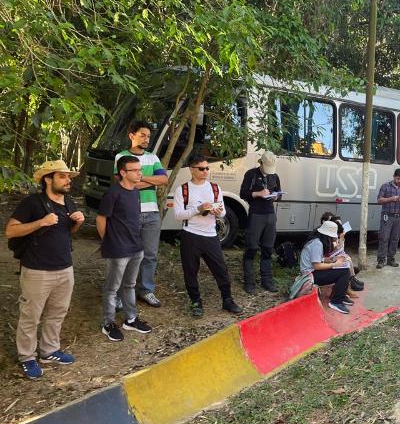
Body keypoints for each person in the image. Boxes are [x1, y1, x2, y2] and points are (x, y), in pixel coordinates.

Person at [5, 160, 84, 379]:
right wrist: (40, 222)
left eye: (69, 177)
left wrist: (77, 222)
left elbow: (67, 233)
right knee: (31, 316)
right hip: (37, 271)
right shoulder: (32, 203)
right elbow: (10, 232)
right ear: (48, 179)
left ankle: (49, 351)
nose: (68, 181)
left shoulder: (69, 202)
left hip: (65, 268)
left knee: (57, 313)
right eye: (63, 176)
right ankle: (27, 357)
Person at [173, 154, 243, 317]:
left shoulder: (214, 187)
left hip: (211, 235)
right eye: (201, 168)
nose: (205, 171)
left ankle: (227, 299)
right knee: (190, 271)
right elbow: (178, 215)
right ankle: (195, 302)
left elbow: (223, 211)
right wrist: (198, 209)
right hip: (190, 235)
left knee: (221, 270)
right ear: (191, 169)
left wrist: (219, 212)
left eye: (207, 168)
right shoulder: (182, 190)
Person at [97, 155, 153, 341]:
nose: (140, 173)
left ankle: (131, 319)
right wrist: (108, 240)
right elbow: (101, 218)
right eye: (135, 170)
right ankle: (108, 323)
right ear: (123, 173)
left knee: (129, 285)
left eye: (140, 169)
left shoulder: (135, 192)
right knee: (112, 288)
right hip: (118, 249)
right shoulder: (113, 193)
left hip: (136, 247)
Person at [115, 120, 168, 308]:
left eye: (148, 136)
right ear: (132, 135)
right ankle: (121, 294)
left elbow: (163, 179)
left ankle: (146, 290)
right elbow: (125, 184)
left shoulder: (153, 158)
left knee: (150, 255)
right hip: (130, 212)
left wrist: (140, 177)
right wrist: (150, 181)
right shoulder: (121, 156)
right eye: (143, 135)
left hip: (152, 212)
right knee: (127, 254)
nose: (146, 139)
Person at [240, 151, 282, 294]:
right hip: (256, 215)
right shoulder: (251, 174)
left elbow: (278, 192)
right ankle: (249, 282)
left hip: (270, 215)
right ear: (261, 163)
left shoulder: (274, 176)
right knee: (251, 248)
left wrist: (275, 196)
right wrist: (258, 194)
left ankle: (267, 280)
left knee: (268, 249)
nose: (269, 171)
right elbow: (243, 193)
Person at [299, 220, 351, 314]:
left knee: (343, 270)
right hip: (310, 276)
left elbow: (319, 259)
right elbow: (317, 266)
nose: (333, 240)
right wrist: (335, 264)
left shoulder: (316, 241)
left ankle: (340, 296)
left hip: (311, 272)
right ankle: (336, 301)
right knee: (344, 272)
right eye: (332, 238)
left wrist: (333, 259)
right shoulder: (317, 244)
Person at [376, 168, 400, 269]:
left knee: (395, 239)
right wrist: (392, 198)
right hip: (387, 216)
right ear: (394, 176)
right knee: (384, 238)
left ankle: (391, 259)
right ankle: (381, 260)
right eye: (398, 178)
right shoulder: (385, 186)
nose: (399, 181)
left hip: (398, 216)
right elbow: (379, 200)